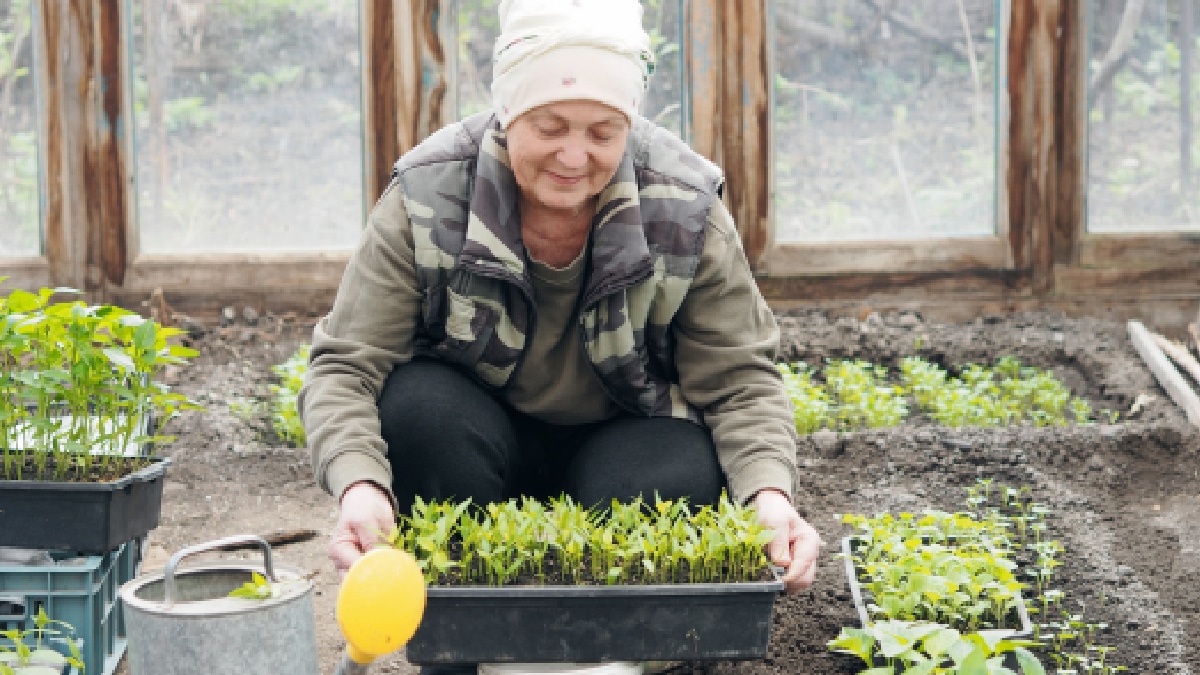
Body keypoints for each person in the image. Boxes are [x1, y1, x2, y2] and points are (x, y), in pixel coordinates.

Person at [300, 0, 820, 595]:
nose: (574, 157)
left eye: (604, 133)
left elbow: (740, 379)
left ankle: (616, 642)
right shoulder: (430, 192)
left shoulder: (683, 204)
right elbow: (346, 364)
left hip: (625, 436)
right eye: (549, 128)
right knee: (417, 412)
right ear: (507, 113)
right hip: (474, 437)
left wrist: (770, 496)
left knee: (676, 474)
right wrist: (359, 485)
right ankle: (458, 631)